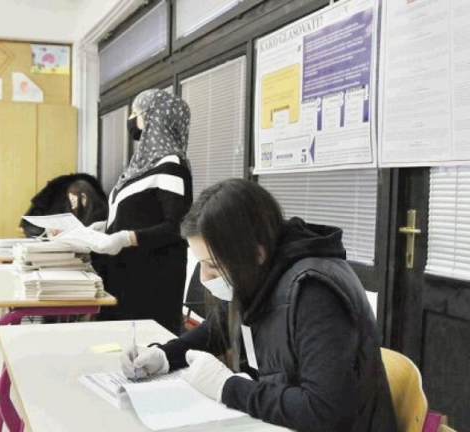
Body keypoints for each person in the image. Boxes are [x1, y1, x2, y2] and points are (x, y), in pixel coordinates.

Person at [121, 179, 397, 430]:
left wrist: (228, 387)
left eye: (213, 266)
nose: (204, 278)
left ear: (257, 253)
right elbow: (217, 329)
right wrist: (165, 356)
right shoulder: (258, 274)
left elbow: (325, 412)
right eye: (201, 264)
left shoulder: (314, 292)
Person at [91, 89, 193, 334]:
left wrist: (127, 237)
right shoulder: (142, 164)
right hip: (122, 272)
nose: (131, 119)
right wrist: (108, 224)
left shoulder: (172, 166)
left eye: (136, 112)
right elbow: (139, 212)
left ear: (154, 117)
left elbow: (177, 227)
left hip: (149, 280)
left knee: (139, 345)